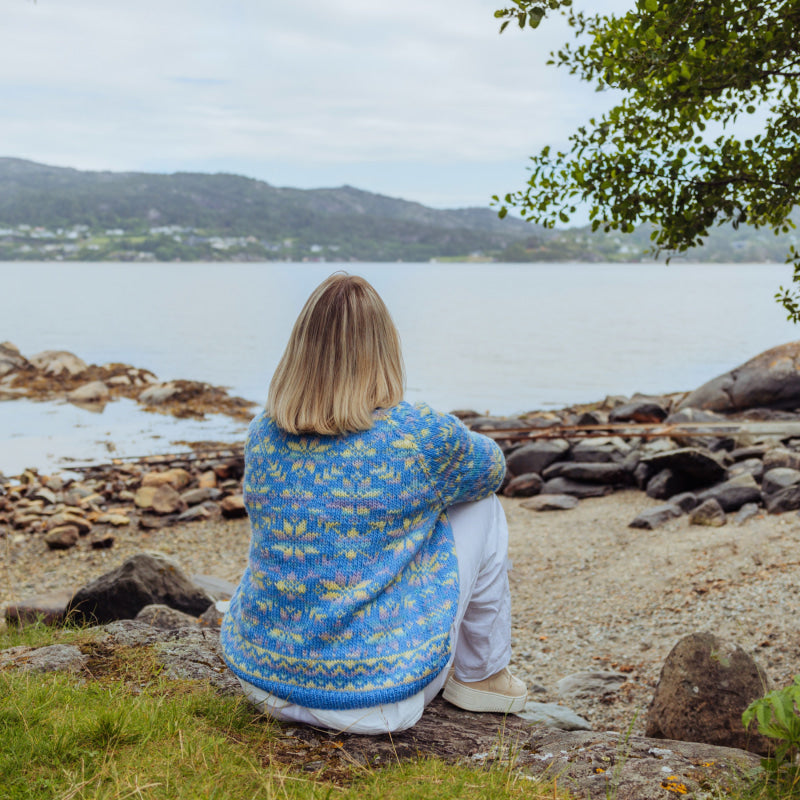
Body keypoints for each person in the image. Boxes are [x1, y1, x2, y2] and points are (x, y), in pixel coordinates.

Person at [220, 272, 526, 734]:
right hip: (373, 701)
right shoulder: (416, 435)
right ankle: (481, 676)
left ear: (301, 347)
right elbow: (491, 470)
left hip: (264, 683)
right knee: (480, 506)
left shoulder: (263, 433)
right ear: (383, 348)